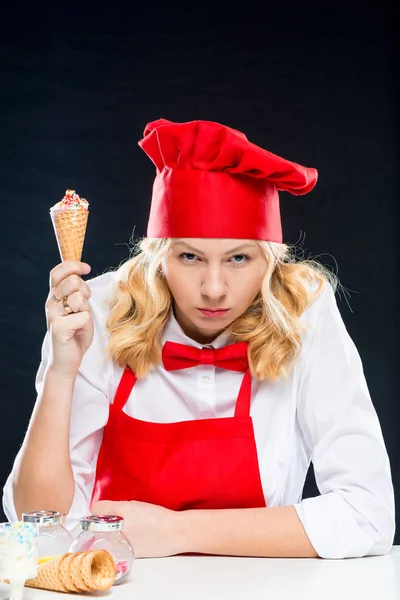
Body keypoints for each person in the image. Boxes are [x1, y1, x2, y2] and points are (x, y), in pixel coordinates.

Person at [3, 118, 395, 560]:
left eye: (239, 259)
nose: (213, 289)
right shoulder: (95, 309)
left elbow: (368, 514)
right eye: (189, 256)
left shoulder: (301, 312)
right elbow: (38, 524)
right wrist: (61, 371)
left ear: (270, 261)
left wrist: (177, 532)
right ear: (158, 254)